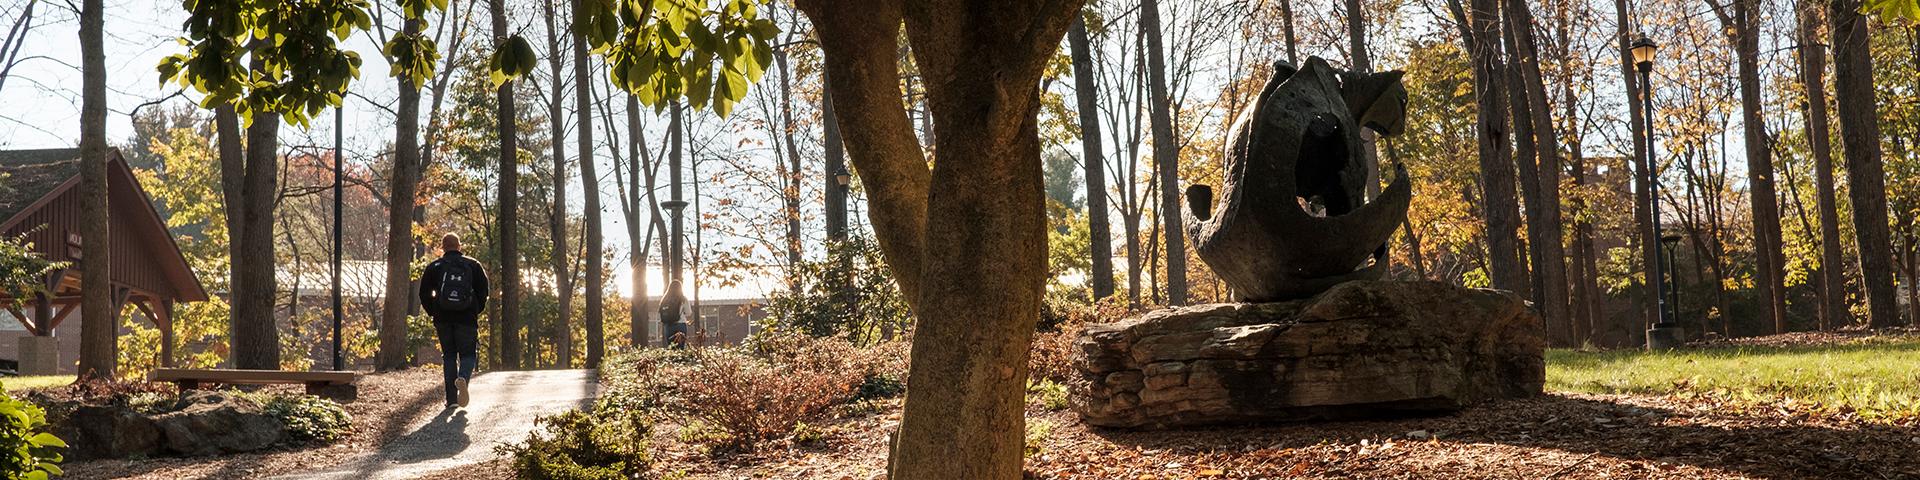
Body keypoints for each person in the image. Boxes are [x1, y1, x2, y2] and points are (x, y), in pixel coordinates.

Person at [419, 233, 489, 409]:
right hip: (467, 318)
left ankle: (451, 400)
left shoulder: (434, 267)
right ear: (459, 246)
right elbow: (484, 291)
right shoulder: (473, 265)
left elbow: (423, 294)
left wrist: (433, 311)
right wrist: (475, 309)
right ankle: (463, 378)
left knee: (449, 356)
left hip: (443, 318)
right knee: (468, 354)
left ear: (443, 247)